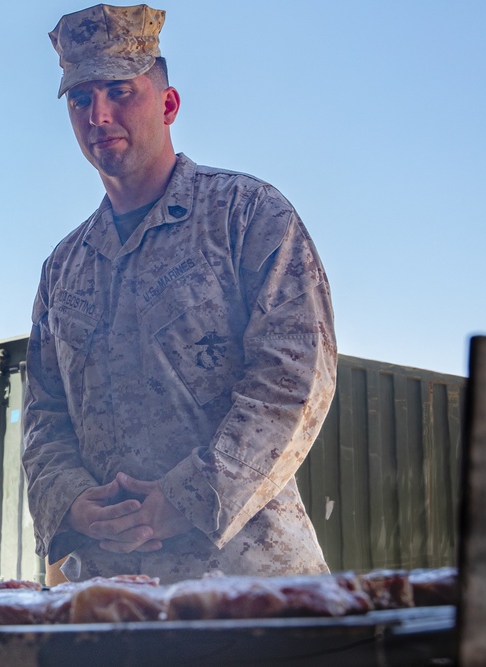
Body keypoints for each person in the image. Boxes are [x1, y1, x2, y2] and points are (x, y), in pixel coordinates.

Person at [21, 3, 337, 583]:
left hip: (251, 590)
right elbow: (42, 415)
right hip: (111, 596)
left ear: (168, 105)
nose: (99, 115)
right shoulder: (62, 270)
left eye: (120, 91)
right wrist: (71, 504)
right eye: (79, 99)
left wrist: (189, 496)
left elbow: (295, 379)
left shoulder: (247, 217)